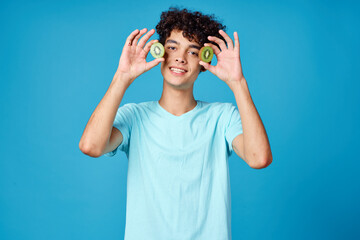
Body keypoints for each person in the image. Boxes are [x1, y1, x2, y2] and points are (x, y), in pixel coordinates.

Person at [79, 7, 272, 240]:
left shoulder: (222, 117)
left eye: (192, 52)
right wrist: (122, 77)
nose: (180, 57)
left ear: (203, 61)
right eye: (172, 47)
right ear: (160, 53)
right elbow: (91, 146)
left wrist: (238, 82)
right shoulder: (135, 116)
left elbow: (259, 158)